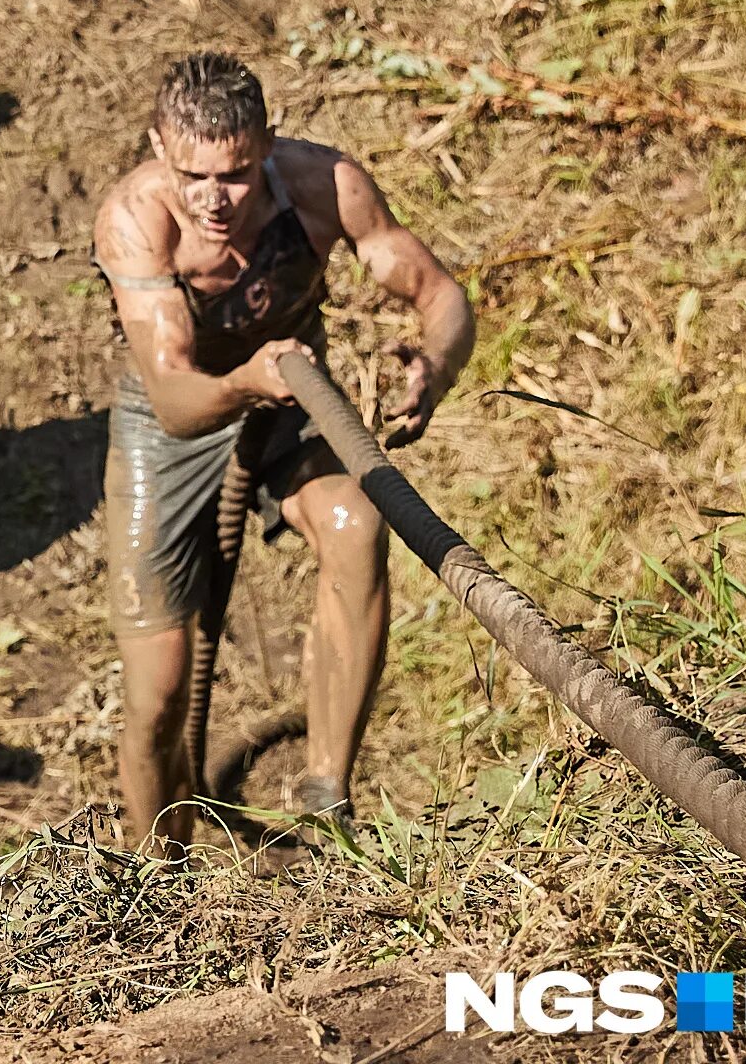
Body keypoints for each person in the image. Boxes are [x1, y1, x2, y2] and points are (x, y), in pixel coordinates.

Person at [92, 52, 473, 851]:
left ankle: (326, 792)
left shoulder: (322, 185)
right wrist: (246, 381)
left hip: (294, 394)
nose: (214, 200)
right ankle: (153, 869)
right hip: (175, 423)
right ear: (160, 146)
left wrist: (433, 370)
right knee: (158, 690)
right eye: (193, 175)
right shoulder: (136, 219)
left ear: (266, 143)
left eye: (233, 175)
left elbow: (439, 294)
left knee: (357, 523)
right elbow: (173, 394)